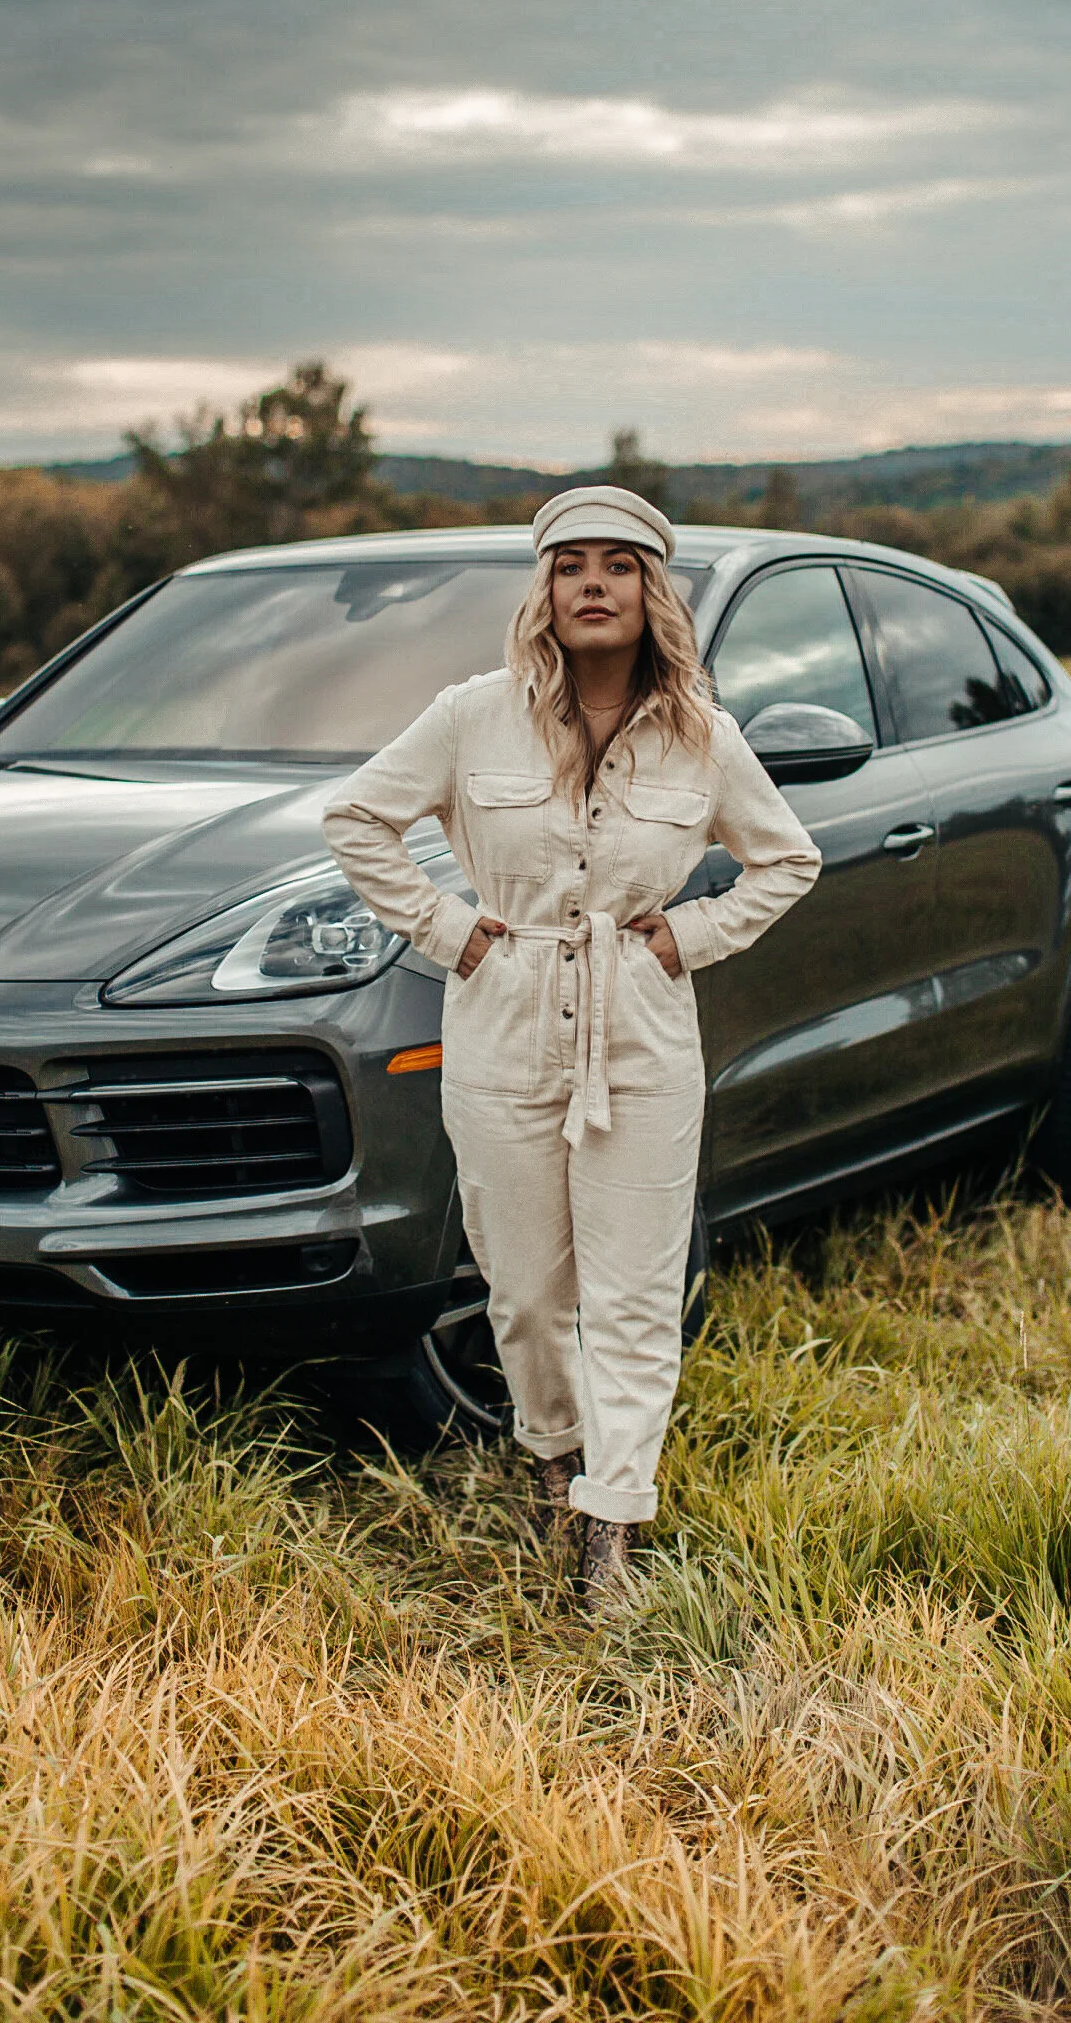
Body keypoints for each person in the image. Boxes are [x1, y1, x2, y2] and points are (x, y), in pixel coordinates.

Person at [323, 486, 821, 1612]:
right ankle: (556, 1458)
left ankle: (613, 1523)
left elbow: (787, 861)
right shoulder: (470, 715)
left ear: (655, 592)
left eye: (620, 565)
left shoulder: (706, 736)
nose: (593, 583)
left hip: (640, 1021)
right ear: (543, 588)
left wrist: (686, 937)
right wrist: (450, 931)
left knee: (636, 1293)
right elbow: (359, 819)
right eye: (570, 565)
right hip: (502, 1018)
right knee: (527, 1291)